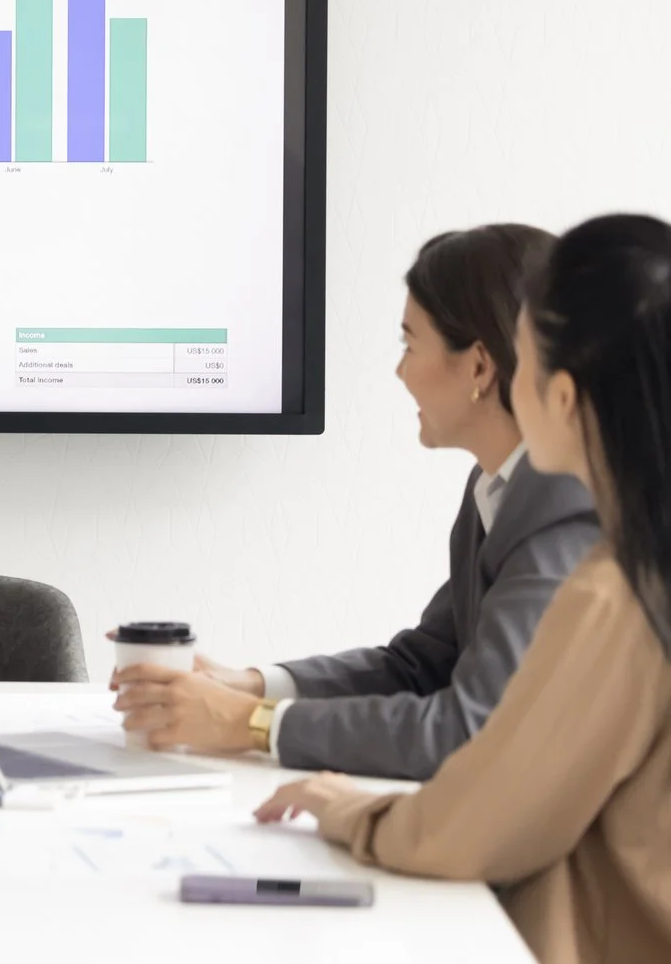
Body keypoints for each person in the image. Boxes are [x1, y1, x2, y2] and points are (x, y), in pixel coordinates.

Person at [257, 213, 671, 964]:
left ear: (562, 394)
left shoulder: (617, 590)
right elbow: (426, 663)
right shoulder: (612, 553)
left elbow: (478, 819)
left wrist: (342, 806)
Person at [113, 225, 599, 777]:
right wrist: (246, 685)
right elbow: (419, 666)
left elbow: (468, 730)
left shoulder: (565, 511)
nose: (399, 371)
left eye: (409, 344)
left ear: (480, 367)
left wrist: (252, 722)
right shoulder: (497, 489)